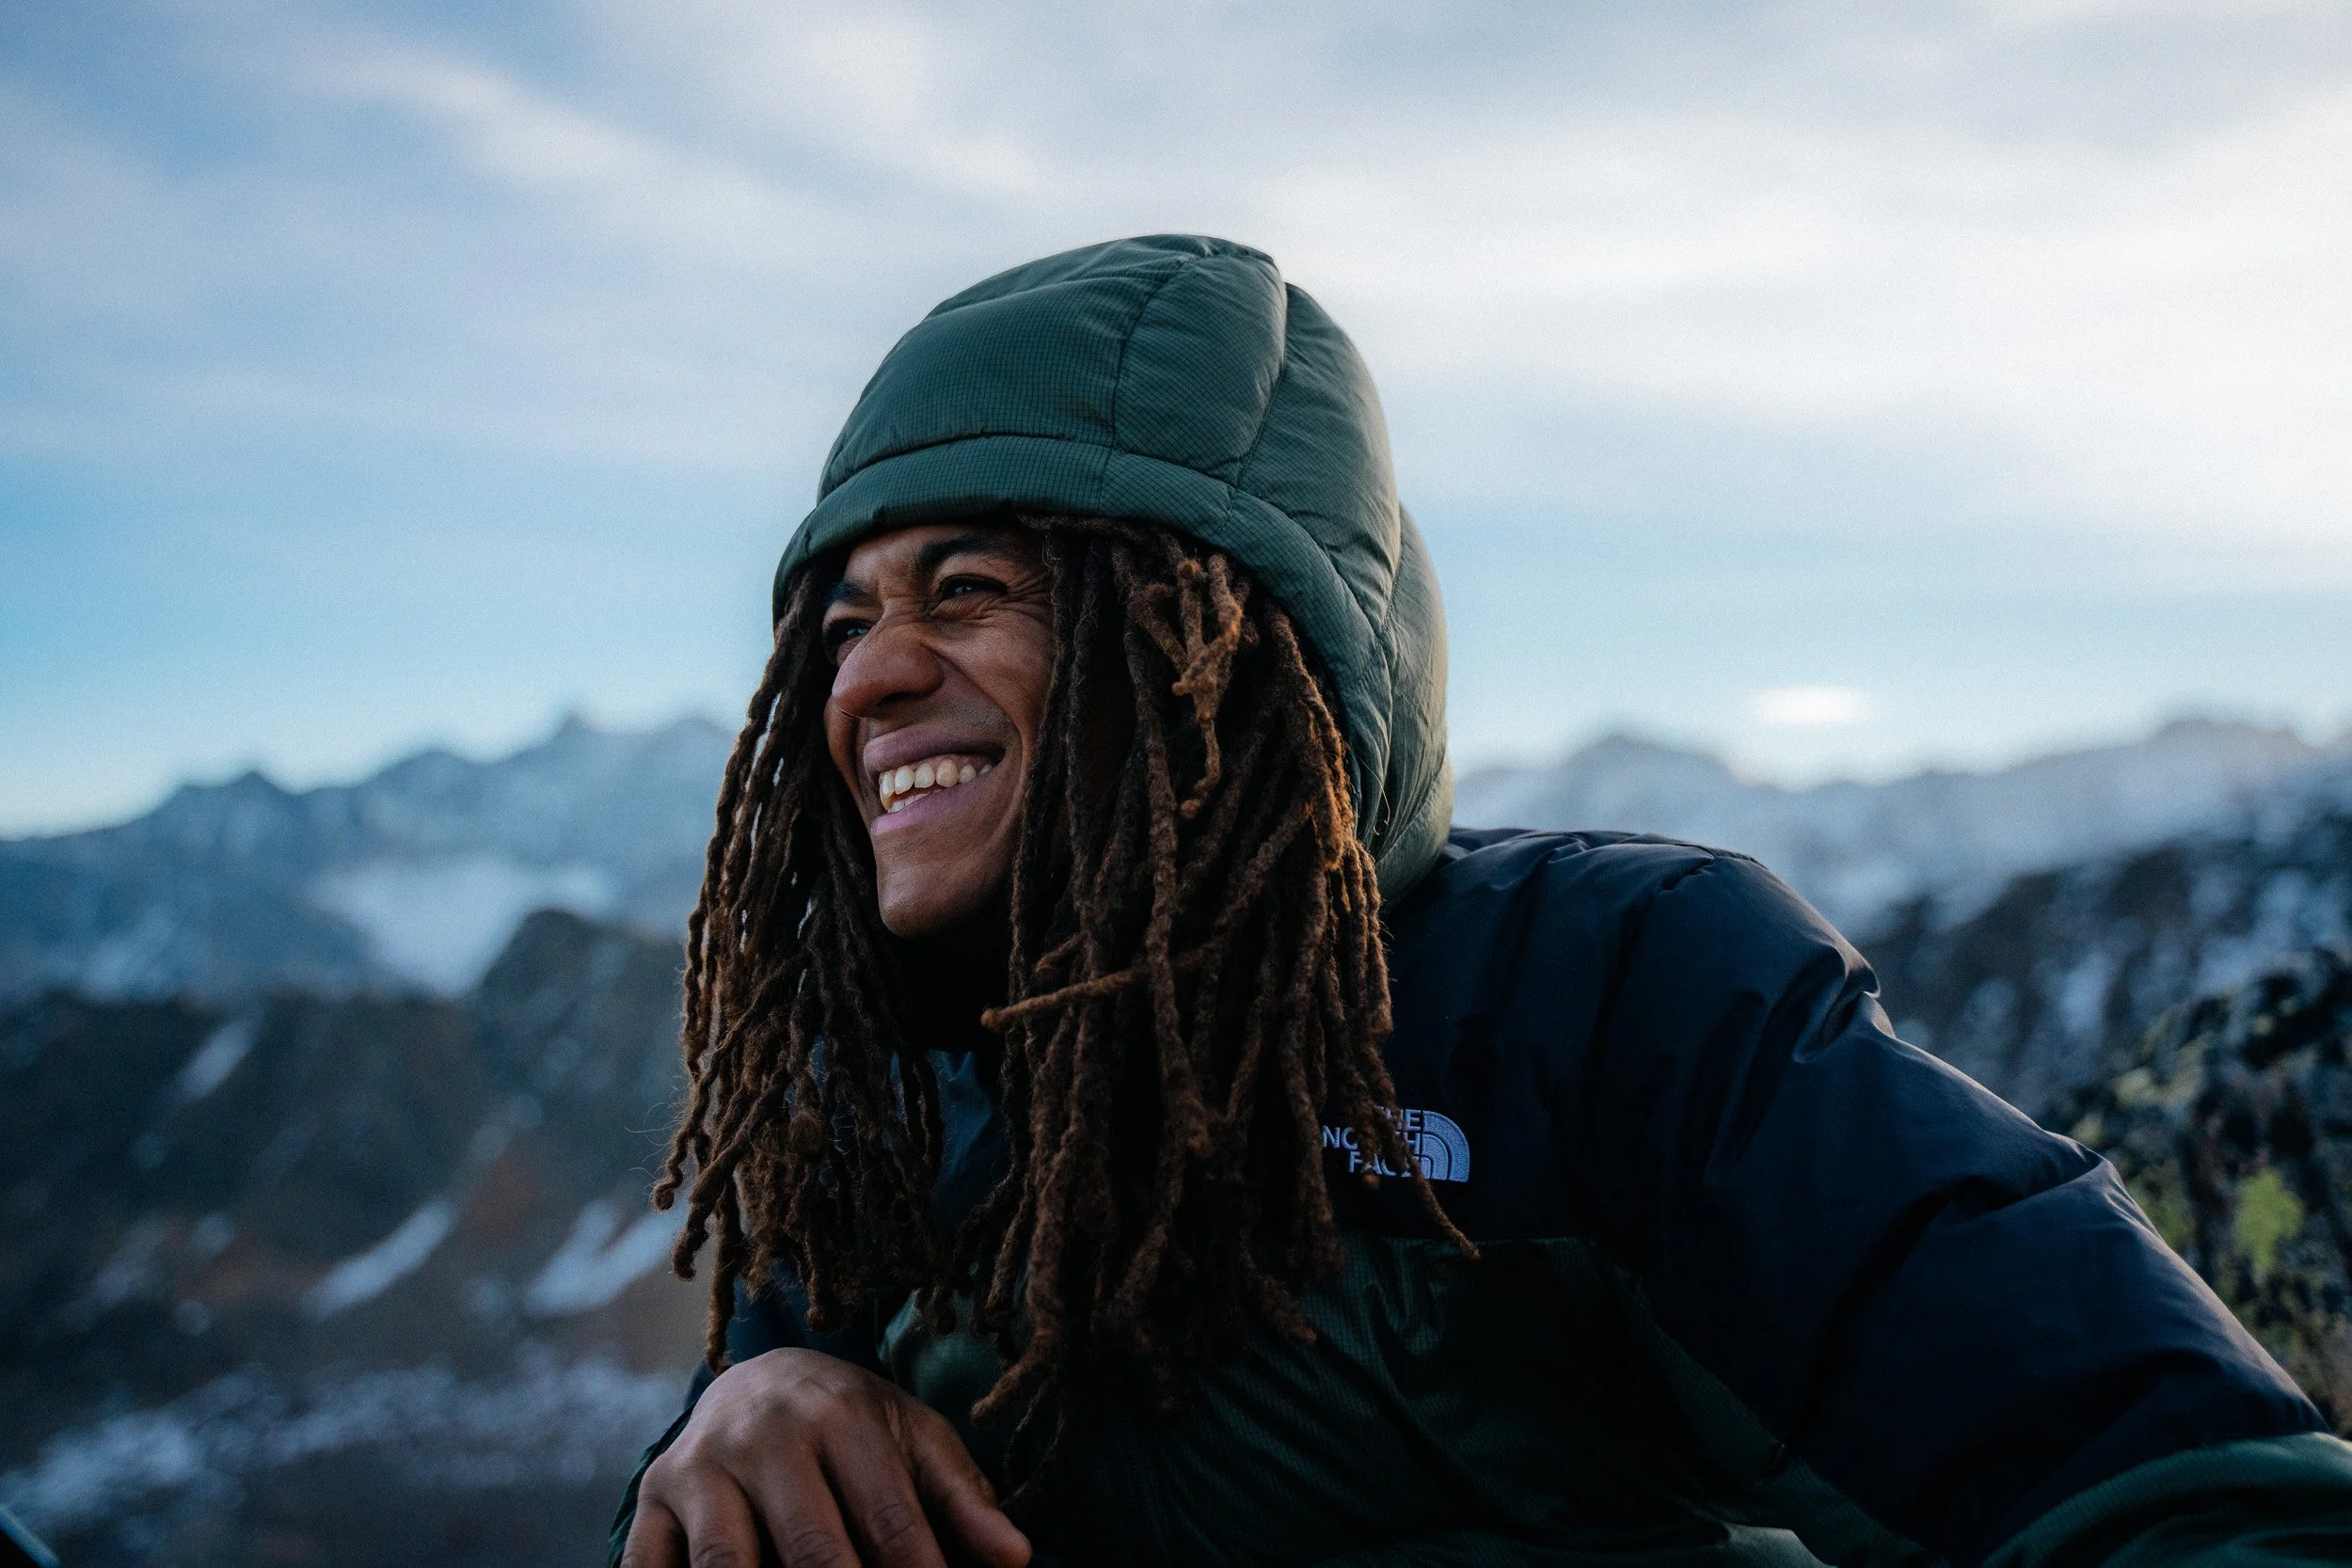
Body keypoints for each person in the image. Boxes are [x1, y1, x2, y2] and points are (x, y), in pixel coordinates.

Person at [612, 235, 2352, 1568]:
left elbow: (2189, 1496)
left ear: (1205, 643)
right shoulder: (873, 1100)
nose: (872, 676)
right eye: (840, 623)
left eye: (968, 589)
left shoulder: (1601, 1000)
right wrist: (738, 1411)